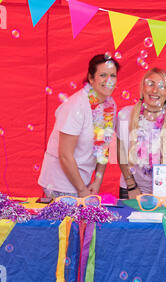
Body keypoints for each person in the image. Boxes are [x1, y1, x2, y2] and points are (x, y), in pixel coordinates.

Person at [38, 54, 120, 198]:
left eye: (113, 75)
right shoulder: (76, 106)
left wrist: (97, 181)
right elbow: (65, 155)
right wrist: (81, 190)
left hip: (84, 182)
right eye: (103, 75)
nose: (109, 80)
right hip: (60, 183)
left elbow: (103, 147)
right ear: (91, 78)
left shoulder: (110, 104)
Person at [116, 68, 166, 199]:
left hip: (162, 193)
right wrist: (131, 186)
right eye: (151, 84)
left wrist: (162, 194)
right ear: (143, 88)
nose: (155, 90)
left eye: (161, 86)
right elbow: (121, 153)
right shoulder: (125, 116)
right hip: (129, 189)